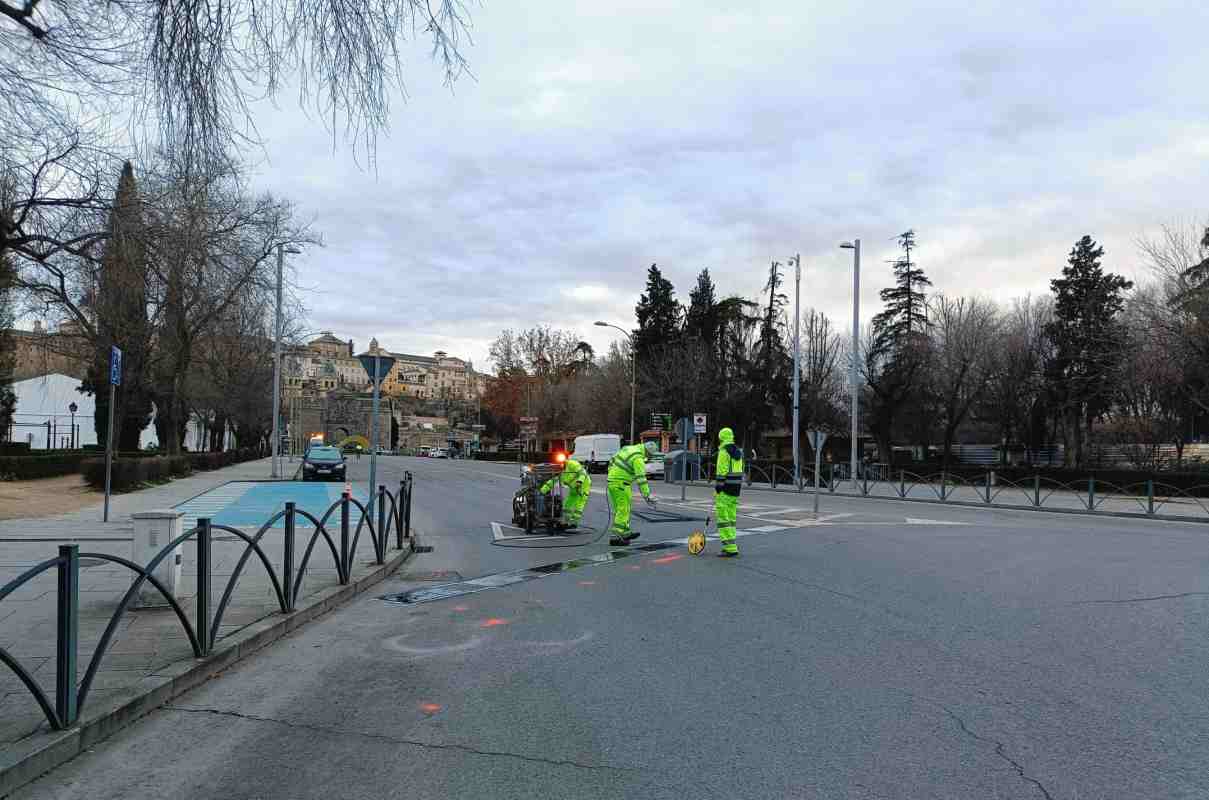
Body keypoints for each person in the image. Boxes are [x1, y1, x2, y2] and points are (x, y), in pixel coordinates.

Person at [607, 440, 658, 545]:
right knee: (623, 509)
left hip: (613, 482)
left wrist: (612, 474)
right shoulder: (638, 458)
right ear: (647, 452)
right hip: (621, 483)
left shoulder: (628, 448)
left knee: (621, 509)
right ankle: (616, 537)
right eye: (650, 455)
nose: (650, 458)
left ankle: (625, 532)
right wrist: (647, 495)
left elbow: (612, 460)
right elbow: (641, 479)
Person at [714, 427, 745, 558]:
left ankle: (729, 547)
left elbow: (722, 471)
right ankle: (732, 544)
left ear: (721, 437)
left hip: (725, 488)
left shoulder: (723, 451)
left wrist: (718, 488)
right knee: (731, 518)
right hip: (736, 487)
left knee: (723, 519)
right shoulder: (738, 452)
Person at [540, 458, 591, 528]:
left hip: (583, 485)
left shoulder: (572, 464)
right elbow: (552, 481)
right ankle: (566, 522)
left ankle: (574, 522)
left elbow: (582, 473)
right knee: (567, 505)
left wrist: (580, 481)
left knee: (578, 505)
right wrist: (543, 490)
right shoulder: (560, 471)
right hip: (574, 488)